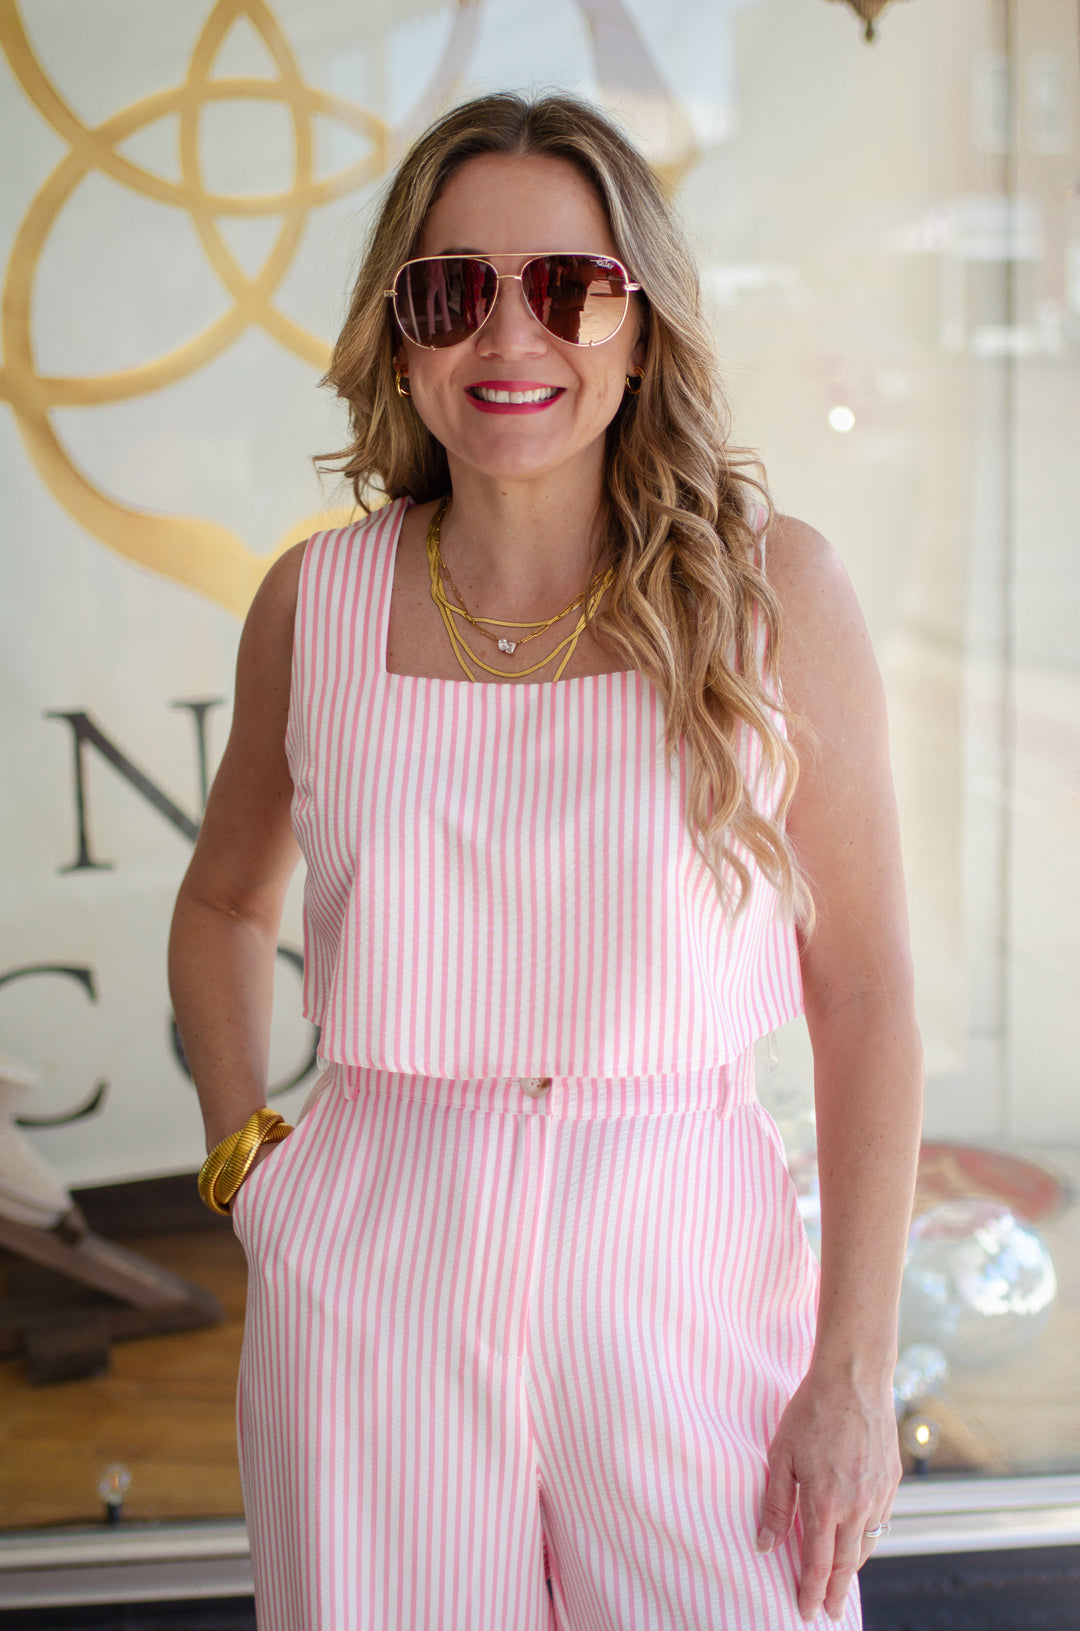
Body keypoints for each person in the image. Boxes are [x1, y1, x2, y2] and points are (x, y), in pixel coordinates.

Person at [169, 92, 923, 1631]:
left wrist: (853, 1363)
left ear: (641, 329)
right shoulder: (315, 605)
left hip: (686, 1269)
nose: (512, 338)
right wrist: (250, 1163)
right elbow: (221, 901)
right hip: (374, 1267)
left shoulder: (774, 597)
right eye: (455, 291)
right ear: (402, 334)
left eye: (569, 288)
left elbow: (863, 992)